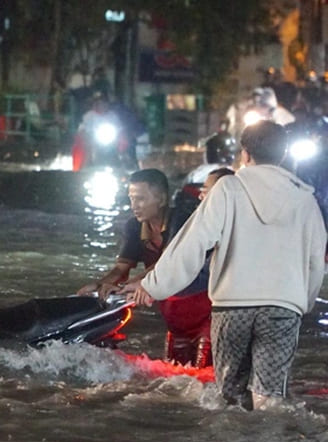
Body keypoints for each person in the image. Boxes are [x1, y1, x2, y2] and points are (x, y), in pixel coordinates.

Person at [125, 121, 326, 410]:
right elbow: (315, 261)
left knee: (228, 398)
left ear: (244, 154)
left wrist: (153, 285)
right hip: (282, 309)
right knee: (270, 399)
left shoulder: (227, 189)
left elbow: (192, 245)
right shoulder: (304, 199)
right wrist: (301, 302)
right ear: (283, 155)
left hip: (232, 308)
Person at [77, 168, 213, 367]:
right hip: (176, 324)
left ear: (162, 199)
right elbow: (121, 269)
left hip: (204, 319)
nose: (134, 206)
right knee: (175, 384)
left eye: (140, 199)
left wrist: (133, 286)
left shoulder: (182, 220)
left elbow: (166, 266)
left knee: (205, 380)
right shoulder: (134, 227)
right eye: (131, 199)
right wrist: (101, 285)